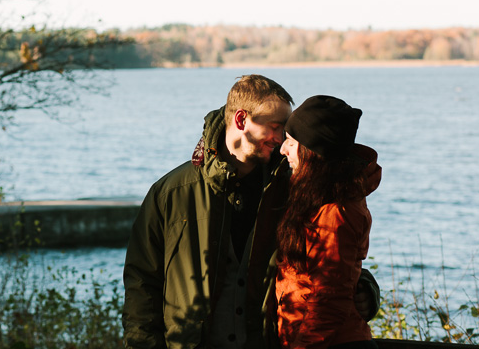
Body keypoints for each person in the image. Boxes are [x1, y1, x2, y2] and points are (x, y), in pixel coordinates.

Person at [122, 75, 379, 349]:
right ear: (241, 120)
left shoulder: (297, 188)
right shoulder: (171, 193)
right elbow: (142, 283)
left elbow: (333, 257)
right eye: (276, 127)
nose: (281, 140)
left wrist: (366, 288)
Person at [276, 96, 381, 349]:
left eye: (291, 142)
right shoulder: (314, 197)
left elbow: (329, 301)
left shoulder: (335, 212)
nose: (283, 149)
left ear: (312, 153)